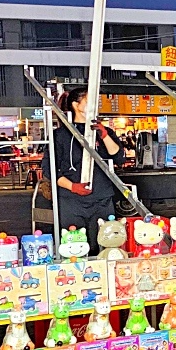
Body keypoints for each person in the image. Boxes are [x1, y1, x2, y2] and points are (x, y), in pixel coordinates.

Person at [43, 87, 126, 253]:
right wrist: (73, 187)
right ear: (76, 105)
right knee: (74, 246)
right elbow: (49, 169)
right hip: (71, 201)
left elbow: (119, 158)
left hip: (102, 199)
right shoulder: (60, 135)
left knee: (104, 246)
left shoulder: (105, 132)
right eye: (89, 101)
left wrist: (105, 136)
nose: (95, 105)